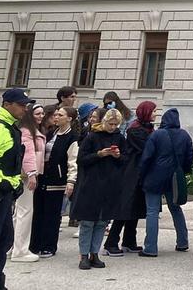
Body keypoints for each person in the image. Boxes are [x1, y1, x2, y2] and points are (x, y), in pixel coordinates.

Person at [73, 107, 126, 270]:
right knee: (88, 221)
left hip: (110, 184)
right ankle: (83, 255)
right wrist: (100, 154)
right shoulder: (92, 136)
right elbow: (81, 159)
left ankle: (94, 253)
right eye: (111, 124)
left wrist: (117, 156)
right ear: (104, 122)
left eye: (116, 124)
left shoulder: (119, 137)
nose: (113, 127)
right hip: (91, 183)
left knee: (102, 222)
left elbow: (125, 160)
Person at [140, 107, 193, 257]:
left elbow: (146, 158)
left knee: (152, 212)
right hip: (174, 176)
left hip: (155, 176)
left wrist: (142, 176)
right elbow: (189, 159)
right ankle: (183, 242)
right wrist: (182, 172)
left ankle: (150, 248)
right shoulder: (185, 135)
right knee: (176, 209)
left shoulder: (157, 135)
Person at [104, 100, 153, 255]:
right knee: (125, 208)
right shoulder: (136, 130)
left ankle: (129, 241)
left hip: (139, 172)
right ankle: (111, 243)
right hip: (131, 172)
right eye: (153, 111)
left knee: (135, 208)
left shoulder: (146, 128)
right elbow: (146, 149)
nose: (155, 114)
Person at [31, 104, 78, 257]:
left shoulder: (72, 137)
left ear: (69, 119)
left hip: (57, 180)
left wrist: (71, 181)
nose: (56, 117)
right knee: (38, 212)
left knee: (52, 215)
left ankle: (49, 246)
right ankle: (35, 244)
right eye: (56, 115)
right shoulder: (51, 133)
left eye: (61, 115)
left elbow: (73, 160)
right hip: (43, 177)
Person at [0, 88, 32, 288]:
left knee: (4, 240)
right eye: (21, 105)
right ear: (7, 104)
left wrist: (15, 182)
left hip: (6, 193)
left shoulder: (11, 126)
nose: (24, 109)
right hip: (0, 191)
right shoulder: (0, 127)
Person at [9, 102, 46, 262]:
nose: (41, 116)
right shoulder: (27, 131)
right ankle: (20, 250)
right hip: (26, 176)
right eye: (37, 113)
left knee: (19, 212)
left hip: (25, 174)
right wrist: (32, 174)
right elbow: (28, 153)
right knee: (24, 211)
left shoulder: (29, 129)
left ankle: (13, 247)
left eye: (42, 113)